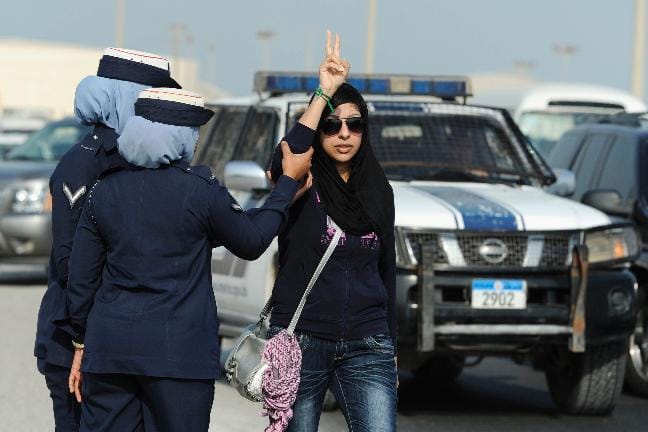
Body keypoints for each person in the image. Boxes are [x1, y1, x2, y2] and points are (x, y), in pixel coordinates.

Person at [57, 87, 313, 431]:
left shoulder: (103, 191)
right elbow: (251, 240)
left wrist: (80, 343)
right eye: (192, 133)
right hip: (180, 358)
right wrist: (285, 188)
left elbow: (81, 280)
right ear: (177, 137)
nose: (194, 142)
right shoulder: (200, 191)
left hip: (110, 354)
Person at [33, 47, 182, 432]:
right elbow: (71, 264)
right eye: (151, 97)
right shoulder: (86, 162)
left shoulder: (140, 161)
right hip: (76, 345)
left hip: (121, 347)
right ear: (127, 97)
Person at [267, 32, 397, 432]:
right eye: (332, 125)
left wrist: (391, 347)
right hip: (301, 342)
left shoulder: (378, 190)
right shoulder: (300, 183)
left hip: (367, 343)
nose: (343, 134)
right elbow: (287, 152)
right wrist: (323, 93)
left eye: (354, 125)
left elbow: (386, 270)